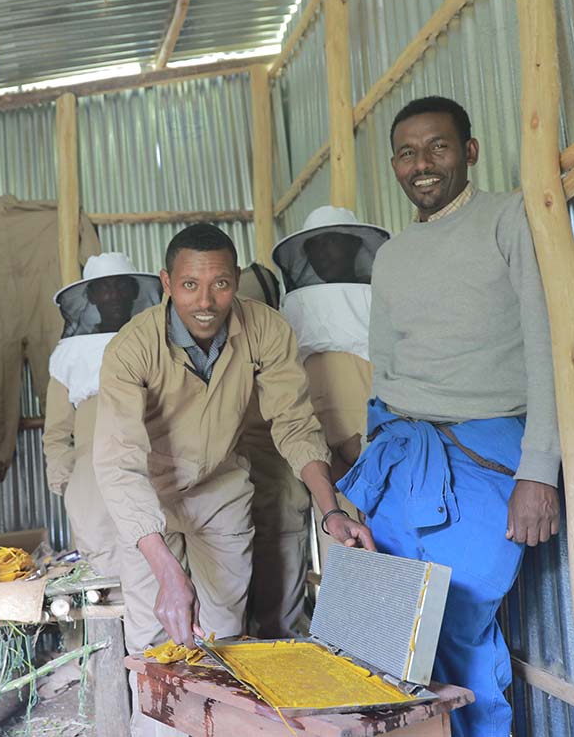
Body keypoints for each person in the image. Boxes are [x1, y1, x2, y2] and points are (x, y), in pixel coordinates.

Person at [93, 224, 374, 736]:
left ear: (236, 280)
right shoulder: (130, 349)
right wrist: (167, 574)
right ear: (165, 284)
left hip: (221, 491)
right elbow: (119, 463)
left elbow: (294, 423)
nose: (206, 301)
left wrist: (331, 509)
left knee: (224, 637)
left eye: (220, 284)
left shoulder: (265, 329)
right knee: (157, 641)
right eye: (190, 285)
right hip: (147, 500)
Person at [338, 96, 561, 737]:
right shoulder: (392, 256)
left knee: (460, 629)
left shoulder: (511, 218)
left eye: (437, 147)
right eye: (407, 153)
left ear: (470, 151)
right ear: (394, 165)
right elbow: (384, 374)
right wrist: (370, 483)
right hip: (401, 461)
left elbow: (548, 346)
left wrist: (539, 471)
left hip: (486, 459)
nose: (422, 165)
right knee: (394, 642)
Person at [272, 206, 390, 566]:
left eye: (333, 244)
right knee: (339, 532)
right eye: (316, 248)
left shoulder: (381, 294)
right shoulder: (291, 305)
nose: (324, 254)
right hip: (316, 417)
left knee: (384, 522)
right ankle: (349, 616)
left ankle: (400, 615)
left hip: (368, 412)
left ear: (355, 248)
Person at [44, 253, 163, 578]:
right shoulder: (69, 354)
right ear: (91, 297)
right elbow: (55, 432)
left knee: (156, 568)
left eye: (120, 287)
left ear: (133, 291)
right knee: (104, 575)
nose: (112, 296)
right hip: (90, 476)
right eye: (104, 289)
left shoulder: (157, 342)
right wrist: (68, 480)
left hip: (151, 469)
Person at [234, 263, 312, 639]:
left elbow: (296, 423)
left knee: (278, 617)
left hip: (279, 487)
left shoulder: (281, 346)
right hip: (238, 490)